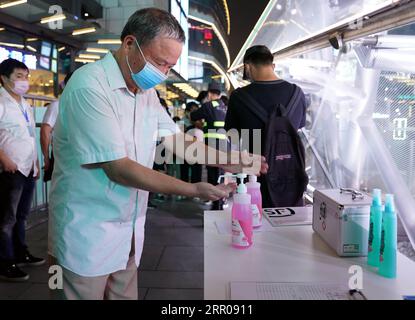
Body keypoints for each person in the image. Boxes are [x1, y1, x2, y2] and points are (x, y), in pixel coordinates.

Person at [48, 8, 267, 300]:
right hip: (86, 235)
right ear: (129, 44)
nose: (162, 74)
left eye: (169, 67)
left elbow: (176, 141)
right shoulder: (89, 86)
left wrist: (235, 160)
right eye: (159, 62)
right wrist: (191, 189)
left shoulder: (144, 92)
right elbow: (119, 168)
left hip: (128, 234)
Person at [225, 45, 307, 208]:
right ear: (272, 65)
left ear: (247, 67)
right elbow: (300, 126)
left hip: (256, 178)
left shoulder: (239, 97)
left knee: (257, 227)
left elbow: (232, 134)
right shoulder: (298, 93)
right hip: (292, 178)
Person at [0, 58, 45, 282]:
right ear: (4, 78)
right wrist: (4, 159)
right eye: (19, 76)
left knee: (21, 215)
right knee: (6, 218)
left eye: (26, 77)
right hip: (10, 168)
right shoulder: (0, 102)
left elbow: (29, 135)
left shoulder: (24, 103)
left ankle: (21, 252)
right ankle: (5, 262)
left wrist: (36, 163)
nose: (24, 81)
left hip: (28, 167)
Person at [190, 82, 228, 210]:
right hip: (224, 145)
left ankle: (216, 205)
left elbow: (193, 116)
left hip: (212, 144)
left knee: (213, 175)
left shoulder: (209, 105)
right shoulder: (225, 107)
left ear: (210, 94)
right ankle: (221, 202)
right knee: (221, 174)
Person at [40, 72, 74, 182]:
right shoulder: (57, 105)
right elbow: (45, 132)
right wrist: (46, 158)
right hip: (62, 155)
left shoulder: (86, 105)